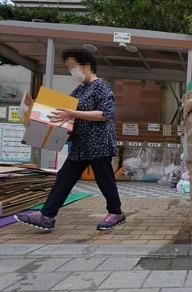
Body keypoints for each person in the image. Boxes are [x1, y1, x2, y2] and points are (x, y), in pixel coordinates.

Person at [15, 48, 126, 231]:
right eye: (69, 68)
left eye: (73, 67)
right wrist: (34, 109)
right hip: (81, 145)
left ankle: (116, 213)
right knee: (64, 179)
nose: (71, 71)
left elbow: (105, 114)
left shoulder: (101, 87)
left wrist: (73, 113)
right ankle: (47, 216)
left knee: (104, 180)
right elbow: (62, 107)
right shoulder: (81, 89)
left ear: (86, 66)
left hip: (99, 143)